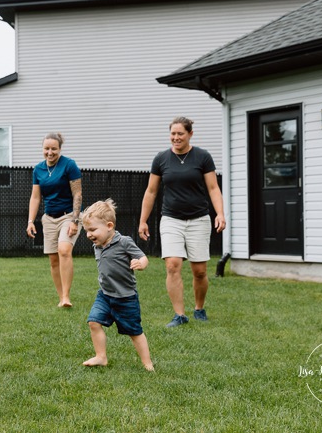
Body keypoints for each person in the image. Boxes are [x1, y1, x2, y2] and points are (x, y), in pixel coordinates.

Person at [139, 116, 226, 328]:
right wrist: (143, 220)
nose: (176, 137)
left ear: (190, 134)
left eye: (180, 134)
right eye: (173, 134)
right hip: (171, 219)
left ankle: (199, 308)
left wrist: (220, 213)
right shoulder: (161, 159)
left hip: (198, 219)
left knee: (200, 271)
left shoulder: (202, 157)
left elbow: (213, 188)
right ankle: (179, 315)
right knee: (173, 265)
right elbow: (151, 191)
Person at [81, 199, 153, 371]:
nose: (89, 235)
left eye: (92, 230)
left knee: (134, 332)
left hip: (126, 297)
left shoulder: (124, 242)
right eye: (87, 231)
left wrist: (141, 264)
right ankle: (101, 356)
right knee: (93, 322)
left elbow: (143, 257)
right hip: (105, 295)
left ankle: (147, 363)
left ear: (109, 225)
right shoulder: (97, 245)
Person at [26, 133, 83, 308]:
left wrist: (74, 219)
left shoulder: (69, 165)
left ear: (59, 149)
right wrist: (30, 221)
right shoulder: (38, 170)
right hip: (49, 218)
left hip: (68, 215)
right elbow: (35, 198)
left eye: (54, 149)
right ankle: (61, 298)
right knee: (53, 259)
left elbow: (77, 193)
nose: (50, 152)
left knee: (64, 250)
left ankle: (67, 296)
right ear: (42, 149)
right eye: (46, 148)